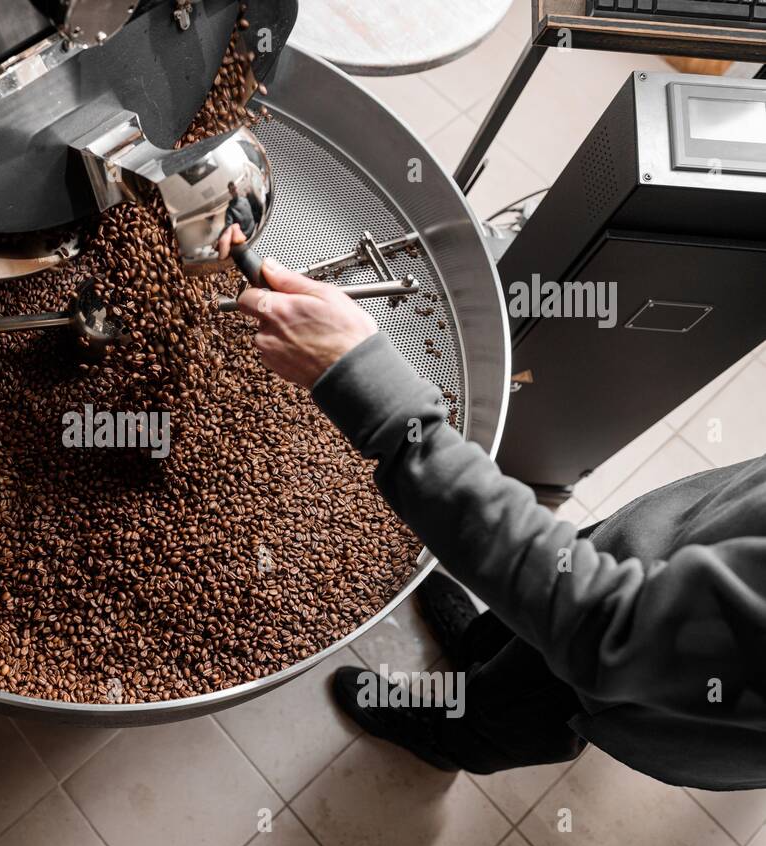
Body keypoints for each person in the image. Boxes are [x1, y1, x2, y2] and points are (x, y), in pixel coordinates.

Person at [236, 259, 766, 791]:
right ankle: (476, 644)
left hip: (625, 690)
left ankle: (439, 737)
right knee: (524, 619)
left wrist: (367, 388)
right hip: (646, 554)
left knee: (513, 712)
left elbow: (606, 630)